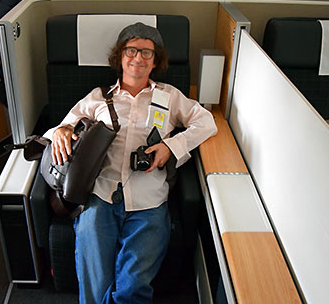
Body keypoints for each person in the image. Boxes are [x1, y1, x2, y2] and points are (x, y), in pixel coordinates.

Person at [44, 22, 217, 303]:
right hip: (99, 196)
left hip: (149, 202)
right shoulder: (99, 97)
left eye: (147, 53)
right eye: (131, 50)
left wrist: (171, 147)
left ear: (156, 61)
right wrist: (62, 130)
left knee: (133, 288)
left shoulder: (169, 96)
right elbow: (59, 128)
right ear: (120, 57)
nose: (138, 58)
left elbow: (206, 122)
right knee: (96, 288)